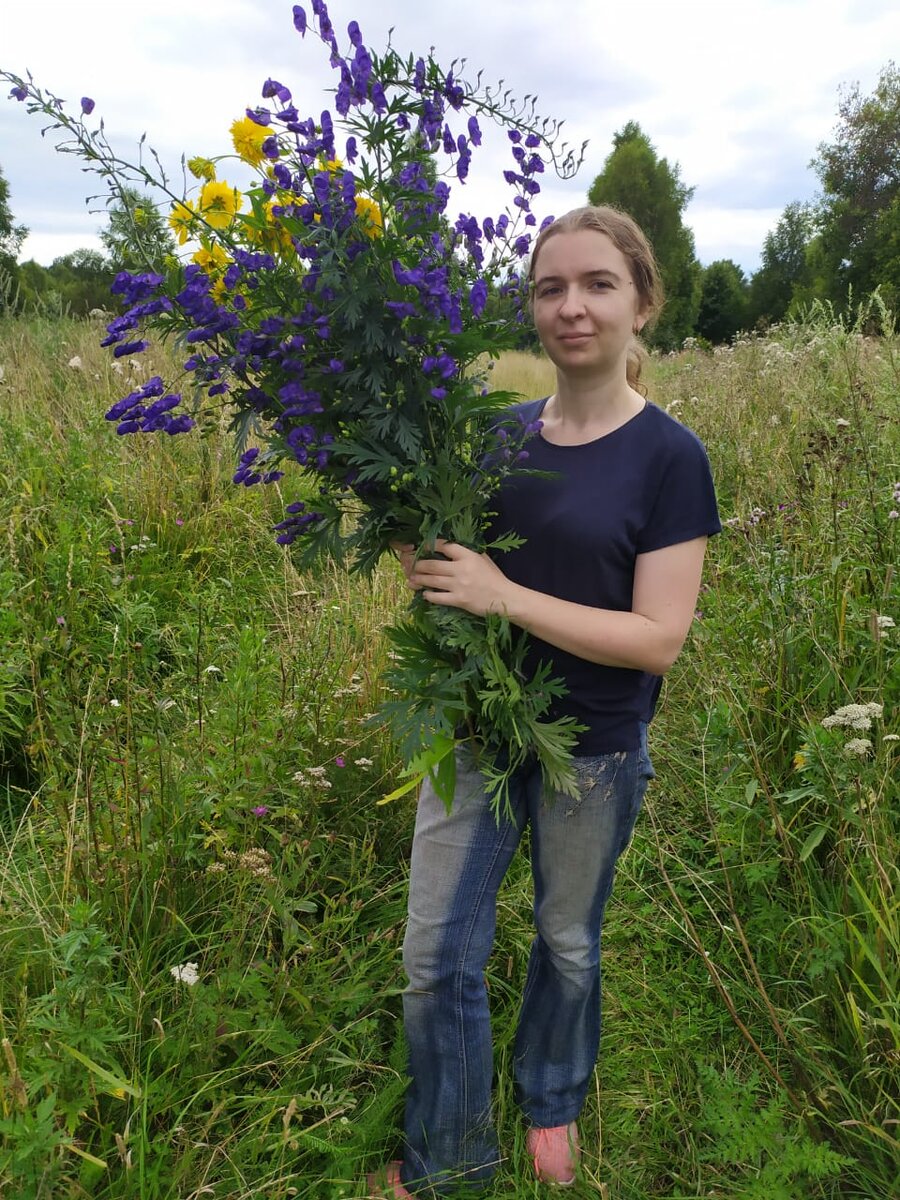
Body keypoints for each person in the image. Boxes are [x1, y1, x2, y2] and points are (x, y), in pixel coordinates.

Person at [368, 205, 721, 1197]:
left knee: (566, 937)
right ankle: (453, 1159)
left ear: (641, 302)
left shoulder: (670, 457)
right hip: (477, 726)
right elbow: (457, 576)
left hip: (595, 748)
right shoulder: (493, 437)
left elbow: (659, 638)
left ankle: (553, 1092)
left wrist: (503, 593)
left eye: (597, 285)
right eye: (550, 288)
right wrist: (423, 554)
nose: (572, 308)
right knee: (438, 955)